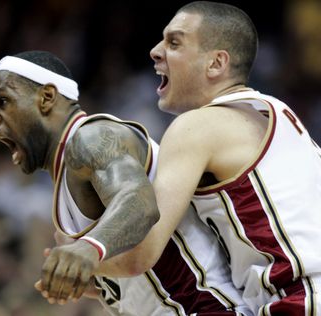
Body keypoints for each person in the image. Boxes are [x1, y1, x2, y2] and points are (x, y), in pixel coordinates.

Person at [0, 50, 252, 315]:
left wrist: (89, 249)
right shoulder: (66, 187)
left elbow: (140, 203)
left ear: (46, 98)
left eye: (3, 101)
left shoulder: (91, 138)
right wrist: (93, 280)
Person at [125, 1, 320, 315]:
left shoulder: (197, 126)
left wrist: (84, 255)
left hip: (301, 302)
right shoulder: (279, 113)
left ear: (216, 64)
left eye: (174, 42)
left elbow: (141, 254)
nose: (156, 51)